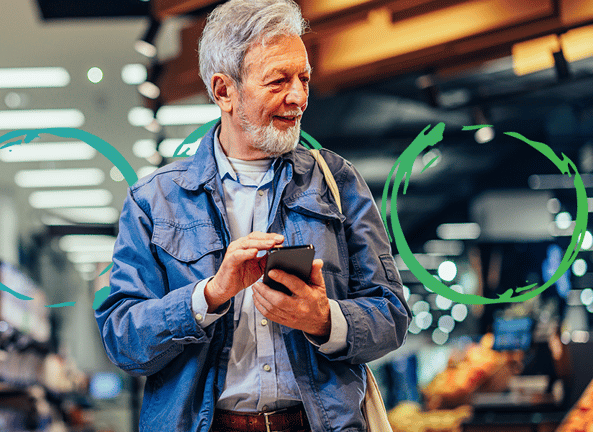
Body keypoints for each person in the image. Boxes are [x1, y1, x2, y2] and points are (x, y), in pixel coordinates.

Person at [95, 1, 411, 430]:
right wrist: (208, 296)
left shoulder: (336, 182)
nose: (298, 97)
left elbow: (391, 314)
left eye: (303, 78)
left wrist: (324, 320)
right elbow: (122, 339)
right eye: (278, 81)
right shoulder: (156, 199)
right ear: (224, 91)